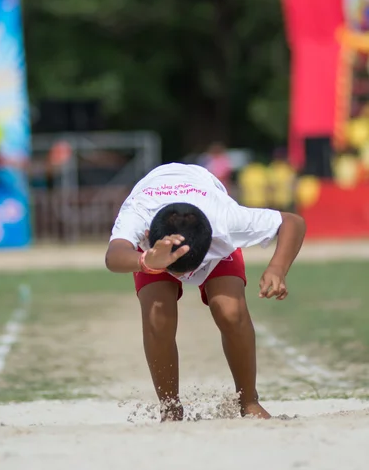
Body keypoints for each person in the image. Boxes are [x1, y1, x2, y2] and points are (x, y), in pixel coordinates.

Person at [106, 163, 306, 421]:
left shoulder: (225, 219)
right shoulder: (138, 213)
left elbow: (292, 222)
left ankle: (248, 401)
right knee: (158, 315)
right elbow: (113, 256)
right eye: (177, 272)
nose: (184, 278)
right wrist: (146, 261)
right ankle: (170, 408)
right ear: (147, 236)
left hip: (204, 218)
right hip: (154, 257)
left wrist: (277, 268)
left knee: (230, 311)